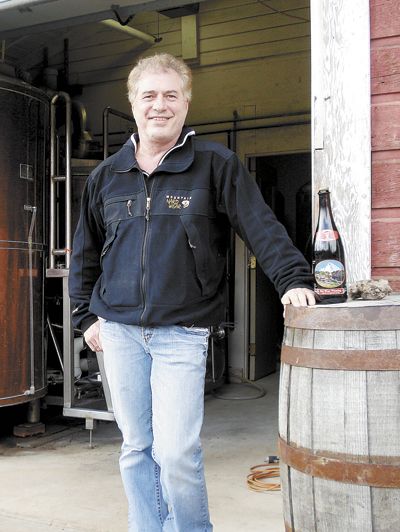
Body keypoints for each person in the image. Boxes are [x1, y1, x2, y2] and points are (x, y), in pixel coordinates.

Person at [69, 53, 315, 532]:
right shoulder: (107, 176)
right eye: (149, 96)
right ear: (133, 103)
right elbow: (85, 252)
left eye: (170, 95)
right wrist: (85, 318)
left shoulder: (214, 165)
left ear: (185, 103)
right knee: (136, 447)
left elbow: (261, 227)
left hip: (181, 333)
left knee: (177, 452)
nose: (159, 105)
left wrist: (293, 279)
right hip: (119, 333)